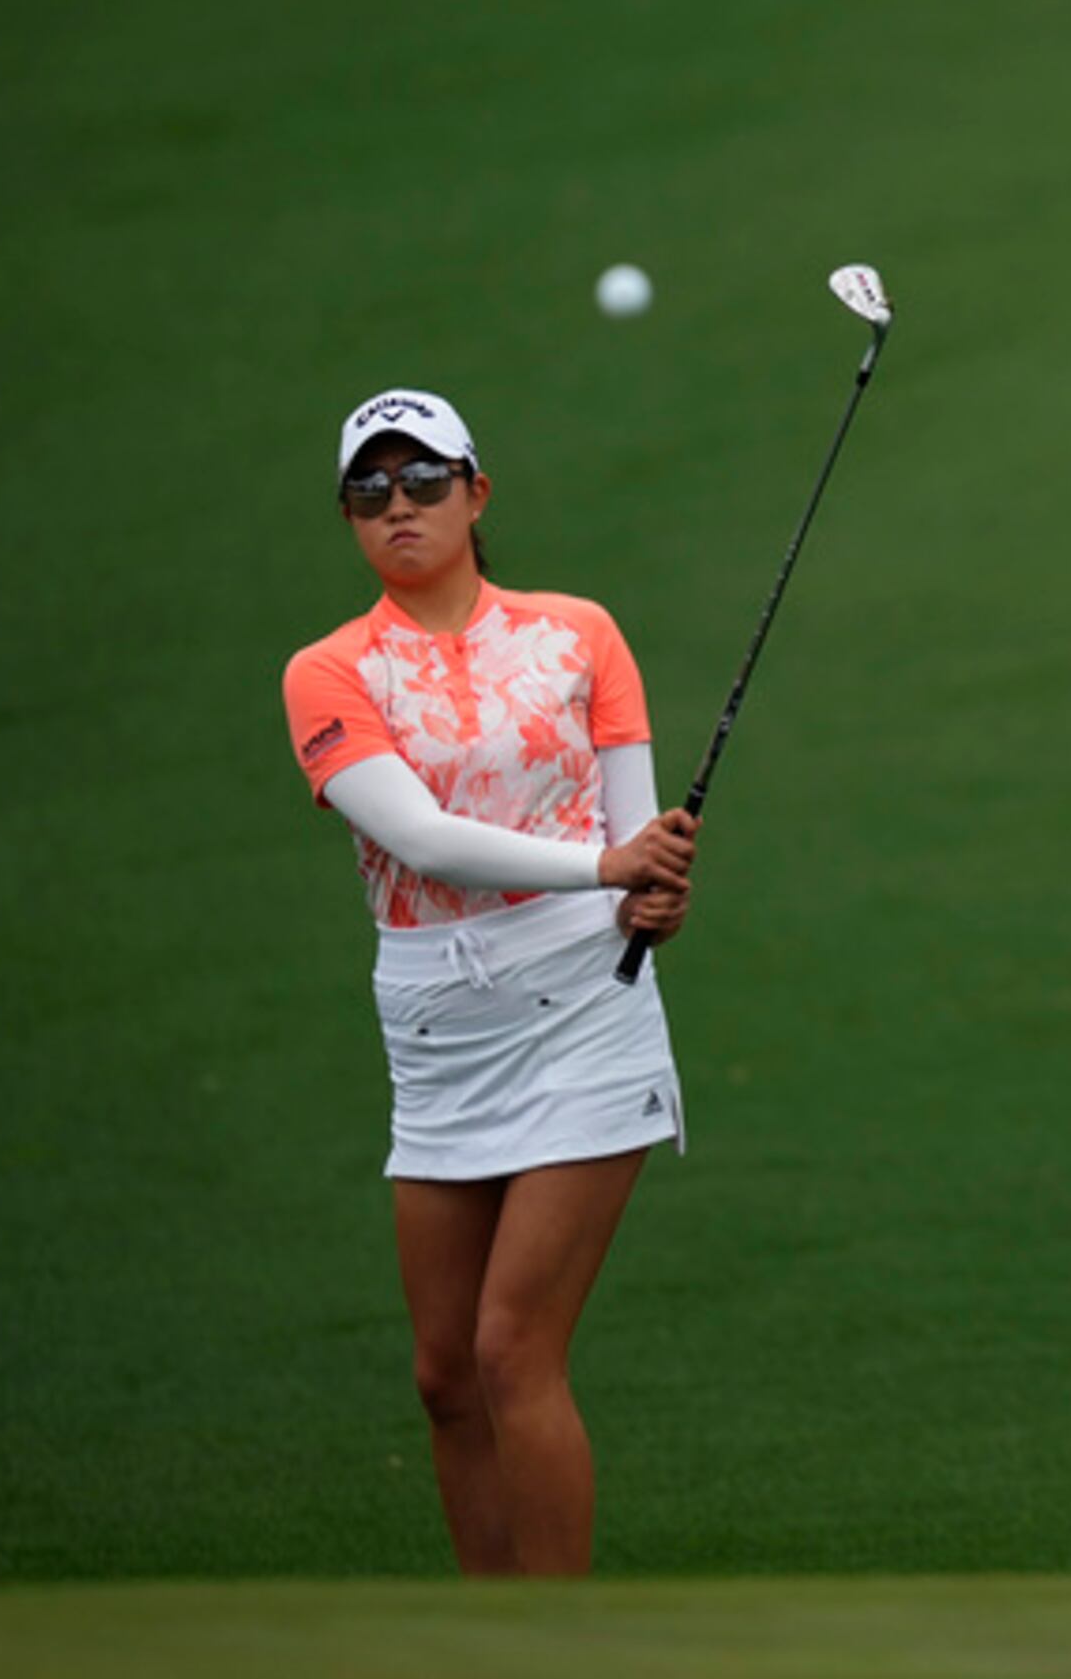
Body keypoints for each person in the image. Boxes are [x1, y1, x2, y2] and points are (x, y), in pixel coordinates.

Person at [279, 386, 701, 1577]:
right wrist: (612, 868)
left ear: (477, 492)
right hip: (437, 1030)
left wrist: (652, 893)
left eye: (424, 479)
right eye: (370, 487)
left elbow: (631, 846)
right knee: (446, 1374)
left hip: (584, 1011)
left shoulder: (581, 634)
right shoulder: (326, 671)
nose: (398, 504)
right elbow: (422, 839)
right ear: (348, 514)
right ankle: (490, 1629)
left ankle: (559, 1642)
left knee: (514, 1346)